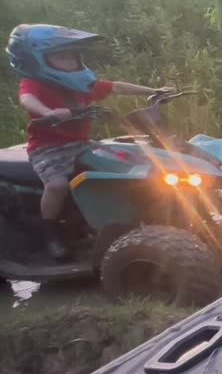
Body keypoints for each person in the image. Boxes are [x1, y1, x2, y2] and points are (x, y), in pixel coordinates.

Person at [8, 24, 171, 260]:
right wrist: (46, 112)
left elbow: (116, 86)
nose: (70, 61)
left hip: (82, 144)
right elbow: (27, 99)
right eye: (61, 56)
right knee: (56, 186)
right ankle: (50, 234)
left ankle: (126, 222)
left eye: (73, 55)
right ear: (36, 60)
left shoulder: (81, 83)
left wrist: (154, 90)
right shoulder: (34, 84)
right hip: (48, 150)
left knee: (122, 166)